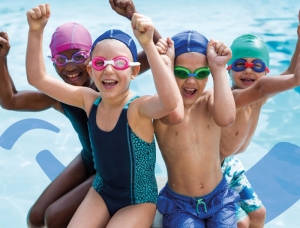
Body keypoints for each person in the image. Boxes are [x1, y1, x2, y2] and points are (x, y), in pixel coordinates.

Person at [0, 1, 162, 227]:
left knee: (54, 217)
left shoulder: (111, 81)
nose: (69, 67)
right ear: (53, 61)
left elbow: (162, 55)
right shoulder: (67, 95)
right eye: (61, 60)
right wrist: (3, 58)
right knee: (35, 217)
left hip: (118, 172)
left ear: (90, 59)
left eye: (78, 57)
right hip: (90, 159)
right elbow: (12, 99)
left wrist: (133, 16)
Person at [220, 12, 300, 228]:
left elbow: (291, 72)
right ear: (228, 68)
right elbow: (264, 87)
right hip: (212, 172)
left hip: (231, 165)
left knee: (259, 214)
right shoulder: (228, 98)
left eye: (256, 66)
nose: (247, 70)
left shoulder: (258, 99)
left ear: (266, 71)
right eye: (240, 65)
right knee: (241, 223)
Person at [154, 30, 240, 227]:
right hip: (179, 204)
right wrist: (165, 66)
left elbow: (226, 118)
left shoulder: (209, 100)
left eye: (201, 74)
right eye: (181, 73)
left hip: (219, 198)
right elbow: (173, 114)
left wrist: (218, 69)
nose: (191, 81)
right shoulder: (161, 108)